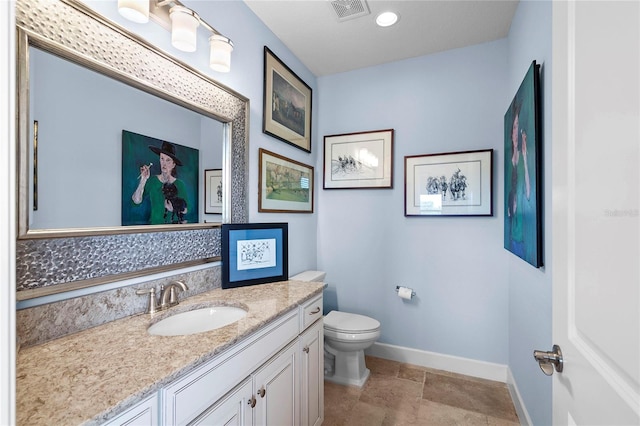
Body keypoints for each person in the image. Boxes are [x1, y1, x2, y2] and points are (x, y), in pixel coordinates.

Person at [131, 141, 189, 224]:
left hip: (174, 229)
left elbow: (186, 210)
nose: (164, 163)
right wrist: (143, 180)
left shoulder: (180, 184)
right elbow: (136, 201)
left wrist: (173, 208)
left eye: (168, 160)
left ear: (173, 164)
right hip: (154, 229)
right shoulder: (152, 181)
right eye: (162, 159)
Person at [506, 103, 531, 258]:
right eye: (514, 127)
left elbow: (528, 194)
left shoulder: (522, 158)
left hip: (520, 235)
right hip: (513, 233)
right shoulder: (509, 160)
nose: (516, 131)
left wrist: (525, 159)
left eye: (518, 126)